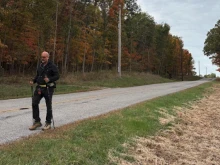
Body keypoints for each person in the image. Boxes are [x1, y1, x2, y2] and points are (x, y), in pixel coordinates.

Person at [29, 51, 59, 130]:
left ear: (48, 57)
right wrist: (33, 81)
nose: (42, 58)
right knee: (34, 103)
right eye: (42, 57)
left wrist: (49, 79)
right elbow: (38, 75)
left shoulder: (52, 66)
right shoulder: (40, 65)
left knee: (48, 105)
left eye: (44, 57)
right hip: (39, 87)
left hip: (48, 88)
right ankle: (37, 122)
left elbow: (57, 76)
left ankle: (48, 123)